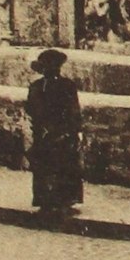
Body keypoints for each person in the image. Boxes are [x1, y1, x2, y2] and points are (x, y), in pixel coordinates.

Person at [25, 49, 82, 216]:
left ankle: (60, 202)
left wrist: (73, 129)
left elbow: (74, 110)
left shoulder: (64, 86)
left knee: (62, 166)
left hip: (57, 132)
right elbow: (33, 109)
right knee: (50, 166)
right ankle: (50, 202)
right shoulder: (41, 86)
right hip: (49, 132)